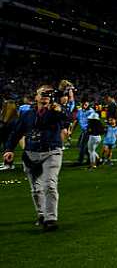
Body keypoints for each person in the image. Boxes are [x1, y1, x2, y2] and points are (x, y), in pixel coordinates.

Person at [3, 85, 70, 231]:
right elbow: (16, 132)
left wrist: (59, 109)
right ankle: (41, 214)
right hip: (31, 154)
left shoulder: (55, 112)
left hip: (51, 152)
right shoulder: (27, 114)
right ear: (36, 97)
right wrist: (9, 149)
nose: (45, 96)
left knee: (50, 185)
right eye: (42, 93)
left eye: (48, 94)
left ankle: (51, 218)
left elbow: (66, 119)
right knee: (36, 189)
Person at [73, 99, 95, 166]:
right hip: (84, 131)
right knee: (82, 145)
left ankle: (80, 161)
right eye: (83, 104)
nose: (84, 105)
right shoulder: (80, 111)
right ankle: (91, 159)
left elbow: (93, 121)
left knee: (82, 145)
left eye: (85, 104)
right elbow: (76, 121)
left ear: (88, 104)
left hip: (88, 131)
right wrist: (71, 130)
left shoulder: (91, 111)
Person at [0, 99, 19, 171]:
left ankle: (9, 165)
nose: (3, 106)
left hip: (9, 135)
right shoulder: (9, 116)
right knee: (6, 148)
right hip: (6, 135)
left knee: (8, 148)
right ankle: (6, 163)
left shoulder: (13, 118)